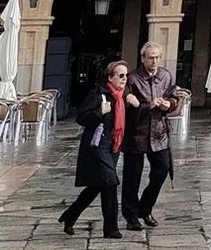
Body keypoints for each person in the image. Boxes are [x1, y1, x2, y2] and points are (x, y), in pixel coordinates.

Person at [61, 61, 128, 239]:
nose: (124, 79)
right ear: (110, 78)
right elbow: (81, 117)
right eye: (121, 75)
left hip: (113, 148)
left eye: (126, 76)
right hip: (96, 147)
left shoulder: (123, 96)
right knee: (110, 182)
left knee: (97, 186)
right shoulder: (99, 94)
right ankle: (111, 229)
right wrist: (100, 112)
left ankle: (70, 215)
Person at [122, 42, 179, 231]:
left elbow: (174, 97)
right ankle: (131, 217)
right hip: (136, 133)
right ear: (143, 58)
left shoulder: (165, 76)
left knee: (162, 170)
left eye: (157, 57)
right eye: (150, 58)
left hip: (158, 132)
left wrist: (169, 105)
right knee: (132, 177)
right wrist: (148, 106)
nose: (154, 61)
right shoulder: (132, 79)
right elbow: (127, 109)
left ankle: (145, 208)